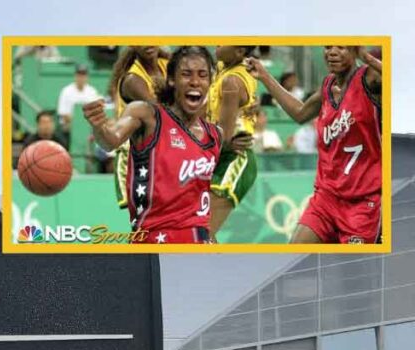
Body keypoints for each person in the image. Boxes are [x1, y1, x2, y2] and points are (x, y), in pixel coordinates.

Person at [84, 46, 221, 244]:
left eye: (202, 75)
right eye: (186, 74)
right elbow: (110, 140)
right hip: (156, 240)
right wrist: (99, 127)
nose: (195, 81)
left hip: (199, 241)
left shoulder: (215, 135)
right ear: (172, 79)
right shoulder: (145, 111)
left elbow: (203, 196)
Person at [248, 46, 382, 243]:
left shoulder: (370, 81)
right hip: (326, 197)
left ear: (355, 50)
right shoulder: (328, 85)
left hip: (362, 202)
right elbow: (300, 113)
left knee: (353, 270)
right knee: (294, 256)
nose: (332, 52)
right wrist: (264, 76)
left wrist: (369, 58)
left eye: (341, 47)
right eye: (328, 47)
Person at [207, 45, 260, 236]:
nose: (218, 43)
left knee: (203, 232)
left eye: (225, 41)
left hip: (234, 157)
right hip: (220, 154)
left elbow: (223, 136)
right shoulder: (225, 68)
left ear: (239, 52)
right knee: (200, 234)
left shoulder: (232, 81)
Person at [109, 46, 168, 208]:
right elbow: (161, 114)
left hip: (159, 148)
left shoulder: (167, 65)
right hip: (134, 155)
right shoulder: (132, 80)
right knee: (144, 215)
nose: (148, 43)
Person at [57, 64, 101, 131]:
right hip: (69, 127)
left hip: (88, 127)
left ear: (87, 77)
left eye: (83, 75)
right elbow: (63, 114)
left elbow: (96, 112)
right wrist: (78, 123)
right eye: (79, 75)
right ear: (75, 75)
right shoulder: (66, 91)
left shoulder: (92, 91)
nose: (81, 78)